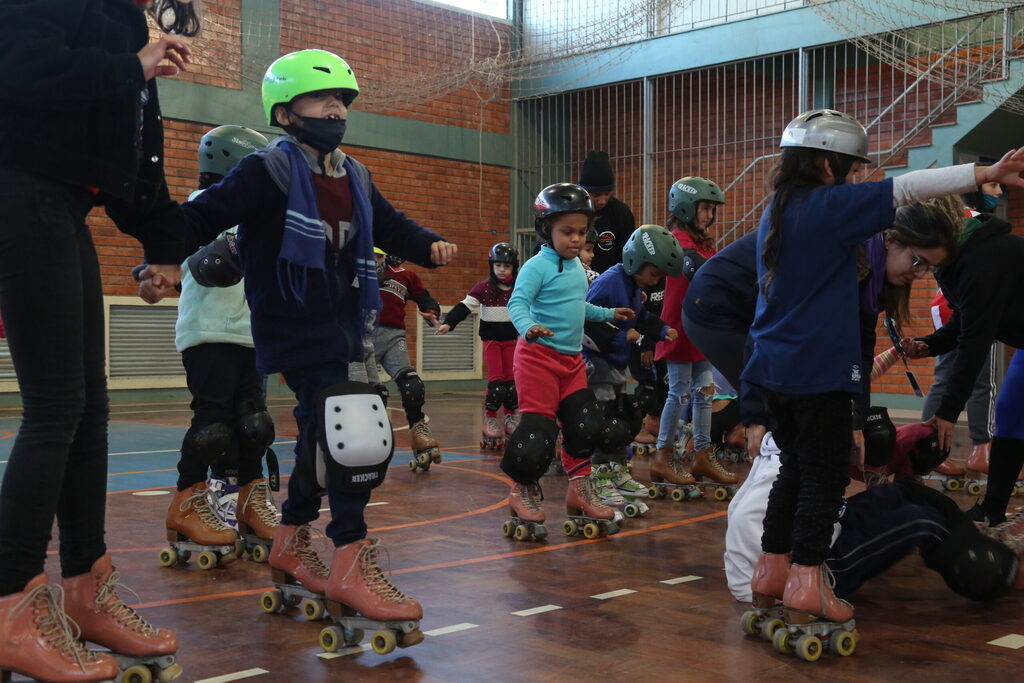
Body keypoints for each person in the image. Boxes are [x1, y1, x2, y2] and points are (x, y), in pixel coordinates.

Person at [173, 49, 457, 643]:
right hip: (293, 323)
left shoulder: (352, 174)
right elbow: (206, 213)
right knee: (353, 428)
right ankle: (349, 555)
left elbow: (389, 223)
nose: (336, 108)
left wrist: (429, 243)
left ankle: (291, 539)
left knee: (319, 438)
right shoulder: (268, 170)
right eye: (323, 98)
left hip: (342, 321)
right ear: (286, 111)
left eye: (343, 100)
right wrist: (158, 254)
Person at [743, 107, 1024, 654]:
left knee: (794, 474)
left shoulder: (776, 210)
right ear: (827, 164)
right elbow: (910, 187)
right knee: (823, 479)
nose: (854, 180)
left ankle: (770, 574)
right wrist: (981, 175)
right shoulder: (825, 206)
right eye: (850, 169)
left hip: (772, 369)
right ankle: (806, 583)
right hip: (814, 371)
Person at [0, 1, 195, 679]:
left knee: (88, 405)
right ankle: (8, 602)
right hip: (18, 190)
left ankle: (85, 588)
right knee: (56, 405)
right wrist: (128, 67)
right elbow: (18, 66)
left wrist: (165, 243)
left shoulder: (125, 22)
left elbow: (130, 150)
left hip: (60, 201)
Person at [728, 431, 1022, 616]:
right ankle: (1002, 573)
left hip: (819, 533)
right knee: (921, 522)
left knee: (901, 492)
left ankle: (969, 533)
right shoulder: (788, 471)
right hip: (814, 567)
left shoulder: (784, 446)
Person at [160, 124, 280, 566]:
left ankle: (250, 500)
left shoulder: (255, 216)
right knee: (213, 426)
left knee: (255, 424)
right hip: (208, 332)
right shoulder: (202, 209)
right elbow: (197, 259)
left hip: (251, 334)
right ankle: (186, 502)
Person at [500, 183, 634, 542]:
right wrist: (529, 328)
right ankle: (521, 490)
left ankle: (579, 487)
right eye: (567, 232)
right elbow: (517, 305)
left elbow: (578, 305)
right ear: (546, 229)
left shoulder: (575, 266)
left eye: (581, 232)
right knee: (536, 435)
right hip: (537, 360)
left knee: (586, 423)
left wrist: (607, 312)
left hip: (571, 361)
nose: (576, 240)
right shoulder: (535, 267)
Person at [903, 190, 1024, 526]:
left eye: (918, 250)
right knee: (1010, 413)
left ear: (939, 235)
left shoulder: (985, 257)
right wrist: (931, 344)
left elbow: (975, 341)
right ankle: (992, 512)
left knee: (1012, 411)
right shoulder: (953, 258)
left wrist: (947, 412)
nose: (914, 259)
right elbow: (964, 319)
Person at [583, 225, 679, 517]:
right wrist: (618, 337)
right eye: (654, 275)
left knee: (625, 417)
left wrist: (662, 330)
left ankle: (615, 472)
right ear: (636, 262)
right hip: (595, 362)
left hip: (614, 363)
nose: (655, 282)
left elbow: (642, 317)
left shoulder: (634, 286)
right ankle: (598, 477)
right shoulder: (610, 282)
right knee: (605, 420)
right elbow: (586, 321)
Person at [653, 176, 738, 499]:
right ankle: (662, 455)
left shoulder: (703, 242)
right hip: (678, 328)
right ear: (686, 208)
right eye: (705, 209)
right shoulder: (677, 240)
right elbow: (701, 269)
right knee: (679, 394)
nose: (710, 215)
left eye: (713, 210)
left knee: (705, 393)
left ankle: (702, 454)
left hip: (700, 329)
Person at [920, 183, 1004, 482]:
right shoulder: (968, 221)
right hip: (963, 308)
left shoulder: (937, 226)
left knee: (945, 380)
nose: (999, 192)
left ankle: (928, 451)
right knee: (982, 383)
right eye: (993, 186)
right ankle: (982, 448)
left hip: (943, 309)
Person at [436, 242, 520, 450]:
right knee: (497, 382)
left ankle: (510, 417)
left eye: (506, 266)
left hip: (512, 340)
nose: (502, 270)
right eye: (498, 265)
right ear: (491, 265)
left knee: (512, 383)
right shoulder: (483, 288)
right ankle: (490, 417)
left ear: (513, 268)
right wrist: (449, 322)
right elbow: (464, 306)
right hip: (492, 341)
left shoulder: (520, 288)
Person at [368, 248, 443, 469]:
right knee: (373, 393)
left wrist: (432, 312)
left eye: (379, 256)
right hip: (364, 336)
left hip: (393, 337)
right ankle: (372, 436)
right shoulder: (359, 269)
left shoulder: (405, 275)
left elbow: (425, 298)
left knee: (413, 385)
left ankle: (418, 430)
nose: (376, 260)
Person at [578, 151, 637, 273]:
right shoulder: (571, 211)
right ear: (583, 190)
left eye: (608, 193)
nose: (602, 201)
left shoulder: (621, 213)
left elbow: (627, 257)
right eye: (596, 195)